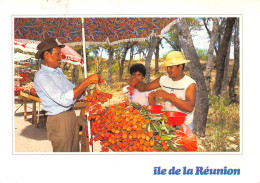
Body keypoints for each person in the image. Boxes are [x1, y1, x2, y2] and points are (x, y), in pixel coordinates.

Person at [34, 38, 100, 152]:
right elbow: (64, 100)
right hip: (59, 121)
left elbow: (73, 91)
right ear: (46, 55)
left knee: (74, 152)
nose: (61, 57)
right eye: (58, 54)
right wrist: (87, 82)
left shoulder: (58, 72)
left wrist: (88, 93)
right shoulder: (42, 76)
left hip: (70, 116)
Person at [131, 51, 196, 131]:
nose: (168, 70)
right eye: (167, 67)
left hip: (184, 124)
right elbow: (144, 87)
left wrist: (169, 97)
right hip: (167, 123)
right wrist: (136, 82)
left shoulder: (189, 83)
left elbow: (189, 107)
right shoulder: (163, 80)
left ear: (181, 66)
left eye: (171, 67)